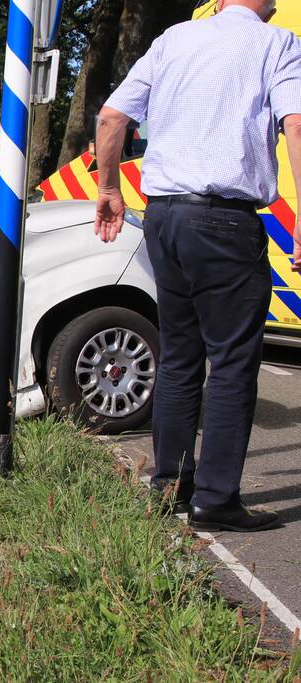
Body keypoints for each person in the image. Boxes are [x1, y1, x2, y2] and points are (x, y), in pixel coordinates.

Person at [94, 0, 301, 532]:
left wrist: (109, 188)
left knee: (180, 356)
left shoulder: (173, 39)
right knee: (231, 362)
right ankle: (216, 499)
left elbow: (111, 116)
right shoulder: (277, 43)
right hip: (224, 222)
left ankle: (169, 486)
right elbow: (297, 125)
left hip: (163, 217)